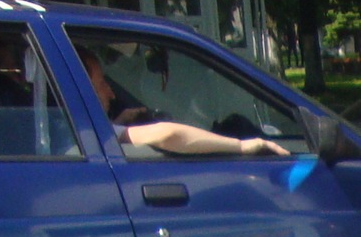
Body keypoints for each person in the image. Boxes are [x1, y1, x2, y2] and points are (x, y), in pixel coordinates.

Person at [78, 48, 288, 160]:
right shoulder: (90, 133)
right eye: (102, 83)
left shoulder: (68, 133)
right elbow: (167, 135)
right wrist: (242, 146)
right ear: (81, 89)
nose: (111, 93)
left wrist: (117, 123)